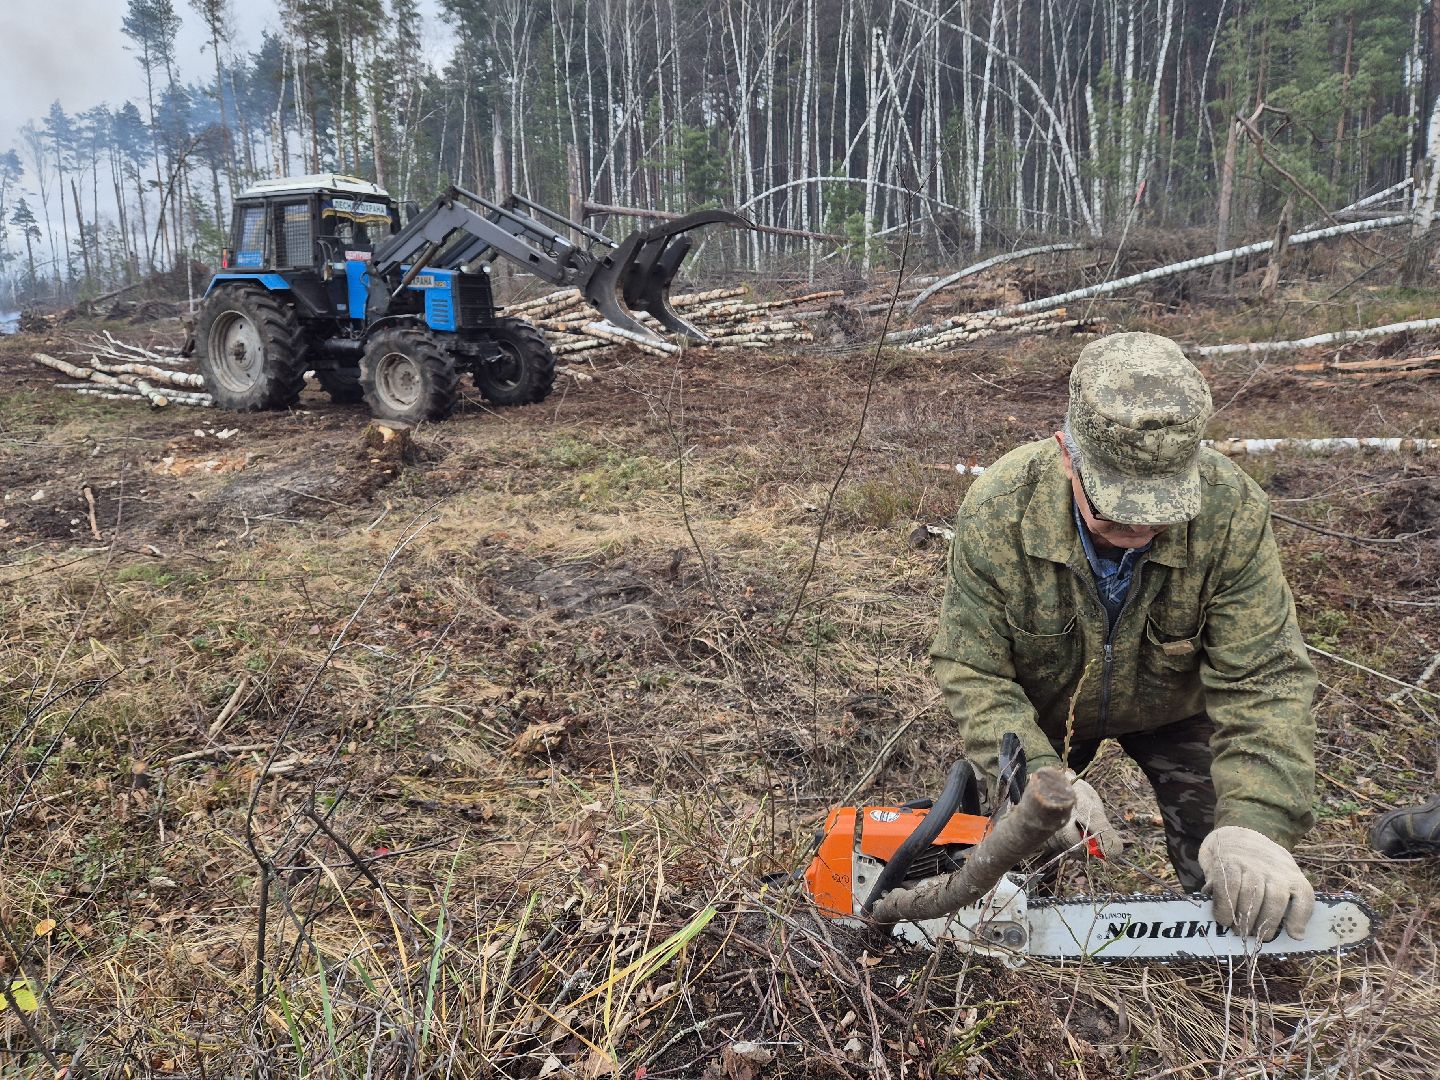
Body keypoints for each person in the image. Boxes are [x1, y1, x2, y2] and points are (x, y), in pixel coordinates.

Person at [931, 332, 1318, 941]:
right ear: (1068, 455)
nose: (1139, 529)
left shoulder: (1232, 510)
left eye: (1162, 510)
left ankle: (1236, 984)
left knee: (1239, 866)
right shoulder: (1001, 507)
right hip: (1046, 711)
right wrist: (1035, 773)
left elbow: (1264, 677)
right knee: (1016, 858)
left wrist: (1258, 824)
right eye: (1116, 509)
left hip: (1179, 708)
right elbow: (973, 667)